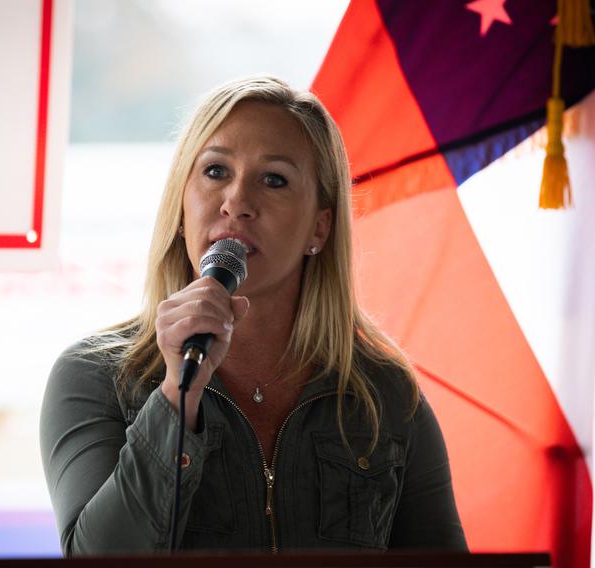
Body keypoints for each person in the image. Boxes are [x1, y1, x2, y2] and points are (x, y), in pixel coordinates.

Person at [40, 76, 466, 555]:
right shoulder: (95, 376)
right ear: (183, 208)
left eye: (274, 180)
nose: (237, 203)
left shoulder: (384, 395)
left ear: (319, 228)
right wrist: (177, 400)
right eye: (216, 171)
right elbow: (96, 560)